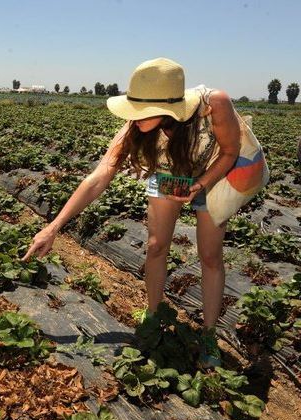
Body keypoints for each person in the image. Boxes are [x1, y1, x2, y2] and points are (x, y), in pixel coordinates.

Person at [23, 58, 243, 368]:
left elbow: (231, 152)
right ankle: (153, 317)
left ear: (166, 108)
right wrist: (54, 227)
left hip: (213, 175)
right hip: (170, 177)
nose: (133, 117)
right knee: (155, 246)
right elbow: (99, 177)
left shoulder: (213, 105)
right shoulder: (135, 128)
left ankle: (208, 334)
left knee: (209, 255)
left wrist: (201, 184)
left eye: (140, 111)